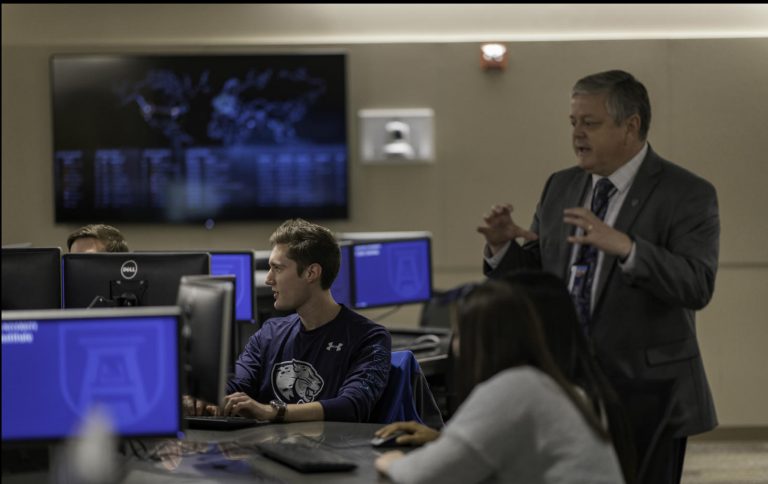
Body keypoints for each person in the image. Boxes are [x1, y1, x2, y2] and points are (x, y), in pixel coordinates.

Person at [477, 70, 719, 483]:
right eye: (573, 123)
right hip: (566, 388)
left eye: (590, 123)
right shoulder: (561, 185)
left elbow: (696, 284)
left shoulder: (686, 193)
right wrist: (503, 249)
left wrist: (628, 248)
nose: (577, 135)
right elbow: (543, 286)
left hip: (648, 395)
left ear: (631, 126)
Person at [375, 270, 637, 483]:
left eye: (459, 332)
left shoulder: (514, 387)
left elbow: (424, 476)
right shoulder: (555, 384)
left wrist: (394, 462)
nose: (453, 344)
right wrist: (445, 442)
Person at [187, 218, 392, 423]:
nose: (268, 279)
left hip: (329, 451)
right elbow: (236, 384)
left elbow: (352, 406)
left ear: (311, 273)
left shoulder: (369, 338)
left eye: (277, 268)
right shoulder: (270, 333)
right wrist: (201, 399)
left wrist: (272, 411)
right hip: (269, 447)